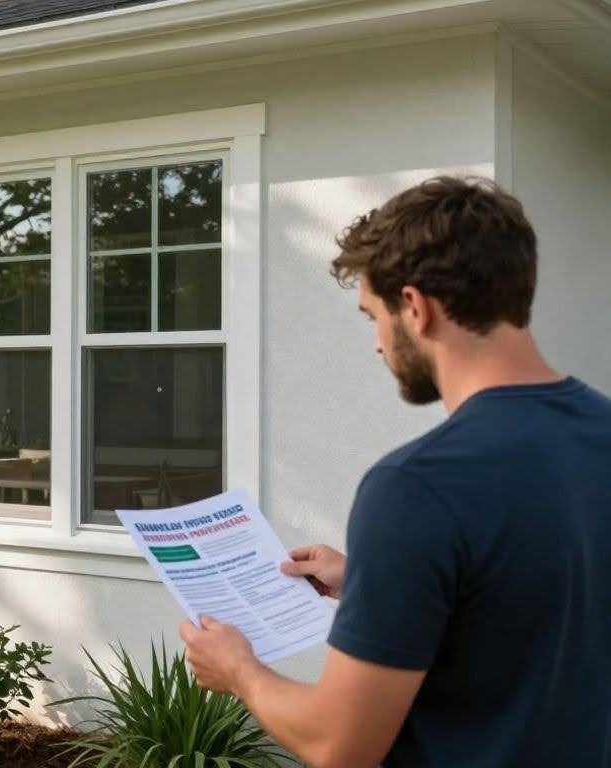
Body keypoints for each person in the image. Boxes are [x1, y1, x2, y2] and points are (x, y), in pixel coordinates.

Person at [178, 176, 611, 767]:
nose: (378, 345)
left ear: (415, 307)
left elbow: (340, 745)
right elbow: (546, 597)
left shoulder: (415, 488)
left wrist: (240, 671)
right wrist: (374, 581)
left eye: (371, 316)